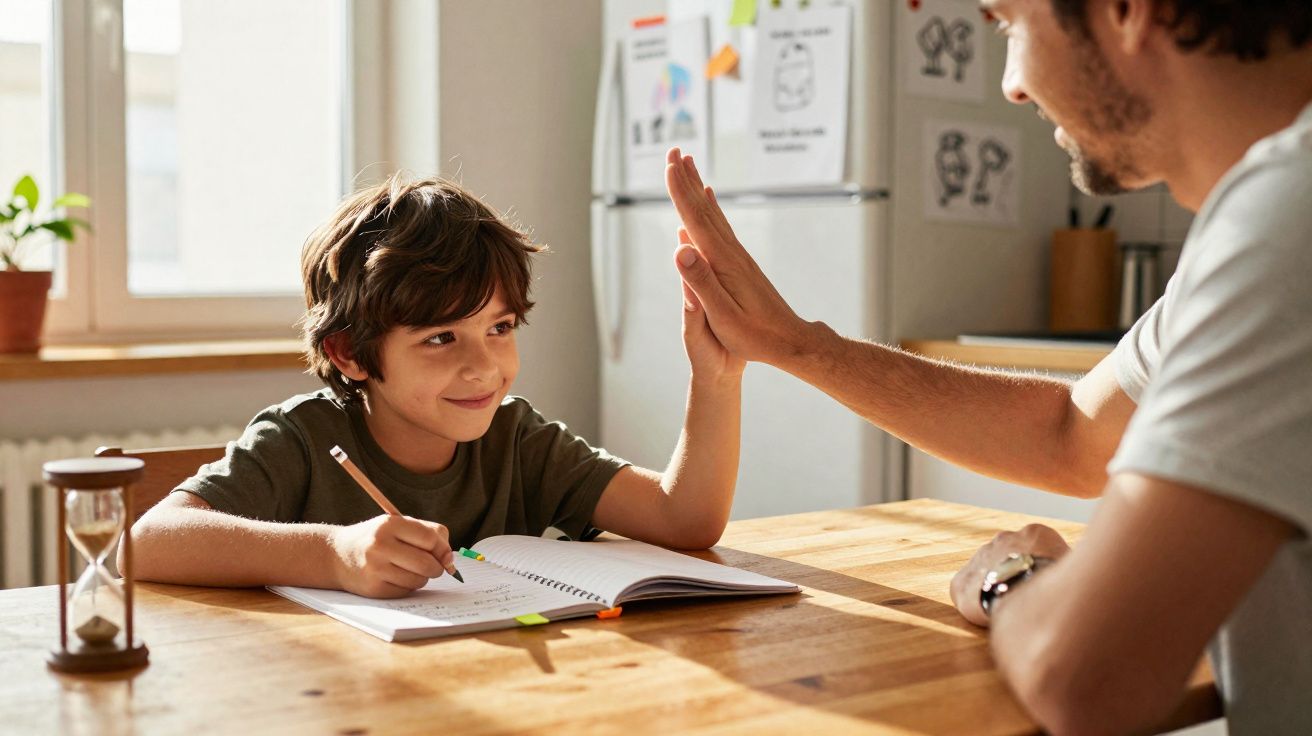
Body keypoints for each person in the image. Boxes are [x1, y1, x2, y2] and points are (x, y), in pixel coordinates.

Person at [663, 0, 1312, 732]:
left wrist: (1015, 579)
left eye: (1010, 23)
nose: (1011, 84)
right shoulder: (1272, 210)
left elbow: (1087, 676)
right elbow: (1072, 433)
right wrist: (797, 345)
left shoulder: (1292, 214)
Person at [129, 175, 744, 599]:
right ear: (350, 353)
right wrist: (335, 556)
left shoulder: (517, 438)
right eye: (441, 338)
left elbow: (684, 520)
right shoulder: (302, 439)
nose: (484, 367)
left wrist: (715, 379)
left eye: (499, 328)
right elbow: (148, 544)